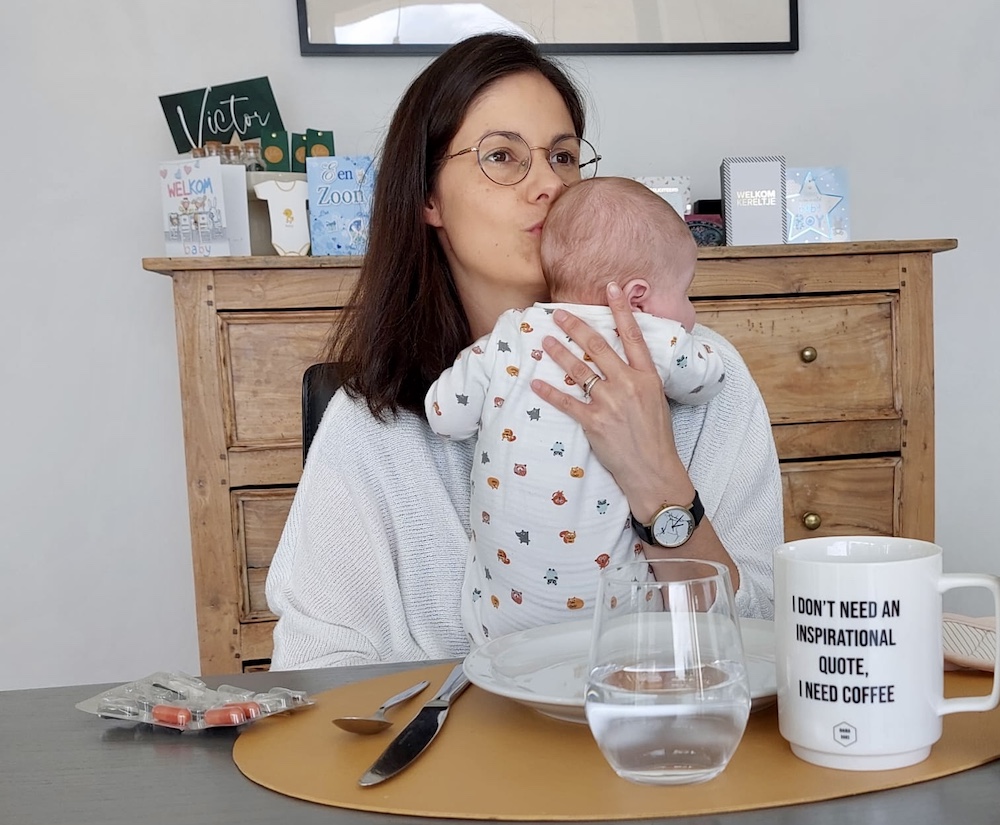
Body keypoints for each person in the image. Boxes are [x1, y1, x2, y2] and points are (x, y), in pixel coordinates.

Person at [265, 32, 783, 670]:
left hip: (653, 751)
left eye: (563, 157)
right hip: (448, 764)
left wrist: (658, 483)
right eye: (503, 157)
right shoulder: (371, 421)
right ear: (428, 198)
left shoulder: (707, 378)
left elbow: (760, 640)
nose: (548, 185)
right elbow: (318, 666)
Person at [424, 176, 728, 644]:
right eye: (686, 292)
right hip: (621, 629)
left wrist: (474, 366)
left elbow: (444, 416)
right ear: (637, 297)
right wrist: (693, 345)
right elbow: (707, 378)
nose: (691, 312)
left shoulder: (510, 335)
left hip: (501, 626)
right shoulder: (649, 336)